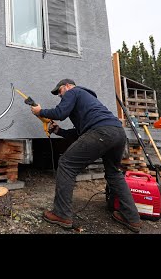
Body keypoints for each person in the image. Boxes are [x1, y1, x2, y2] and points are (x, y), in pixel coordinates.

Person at [31, 78, 141, 233]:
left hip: (102, 132)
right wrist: (59, 131)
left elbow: (60, 113)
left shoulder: (73, 91)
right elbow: (80, 133)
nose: (60, 96)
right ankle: (132, 218)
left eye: (60, 91)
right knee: (114, 174)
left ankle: (61, 214)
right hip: (117, 133)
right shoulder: (88, 102)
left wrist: (39, 111)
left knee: (66, 164)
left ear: (68, 86)